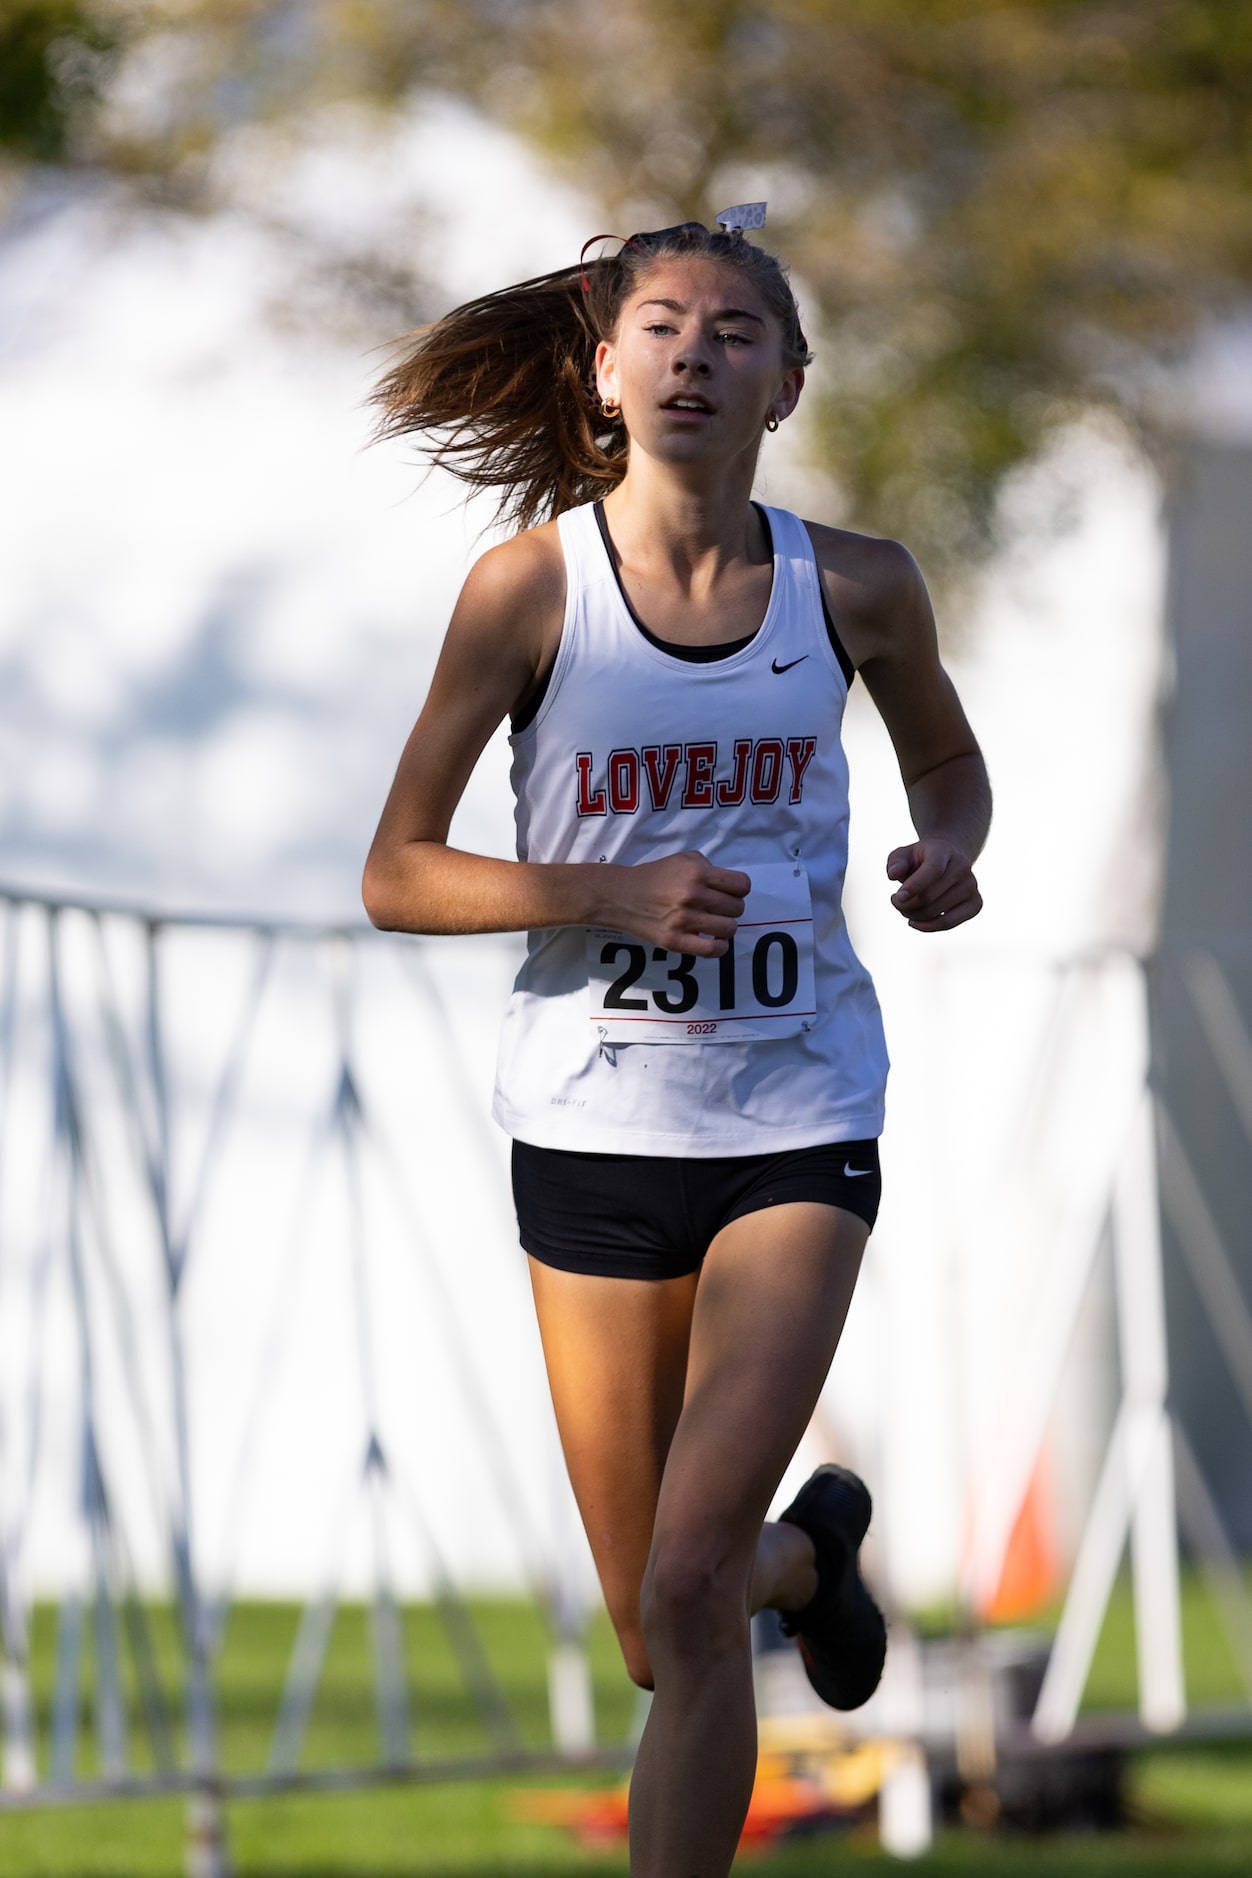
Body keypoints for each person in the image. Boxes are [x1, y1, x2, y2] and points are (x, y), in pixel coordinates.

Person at [363, 207, 990, 1878]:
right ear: (603, 372)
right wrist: (605, 890)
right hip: (587, 1123)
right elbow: (395, 872)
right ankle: (815, 1558)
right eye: (661, 326)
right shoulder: (526, 589)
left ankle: (759, 1572)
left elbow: (951, 767)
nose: (694, 352)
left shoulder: (855, 584)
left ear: (788, 381)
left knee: (688, 1578)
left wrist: (950, 851)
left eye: (732, 330)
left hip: (795, 1113)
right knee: (665, 1623)